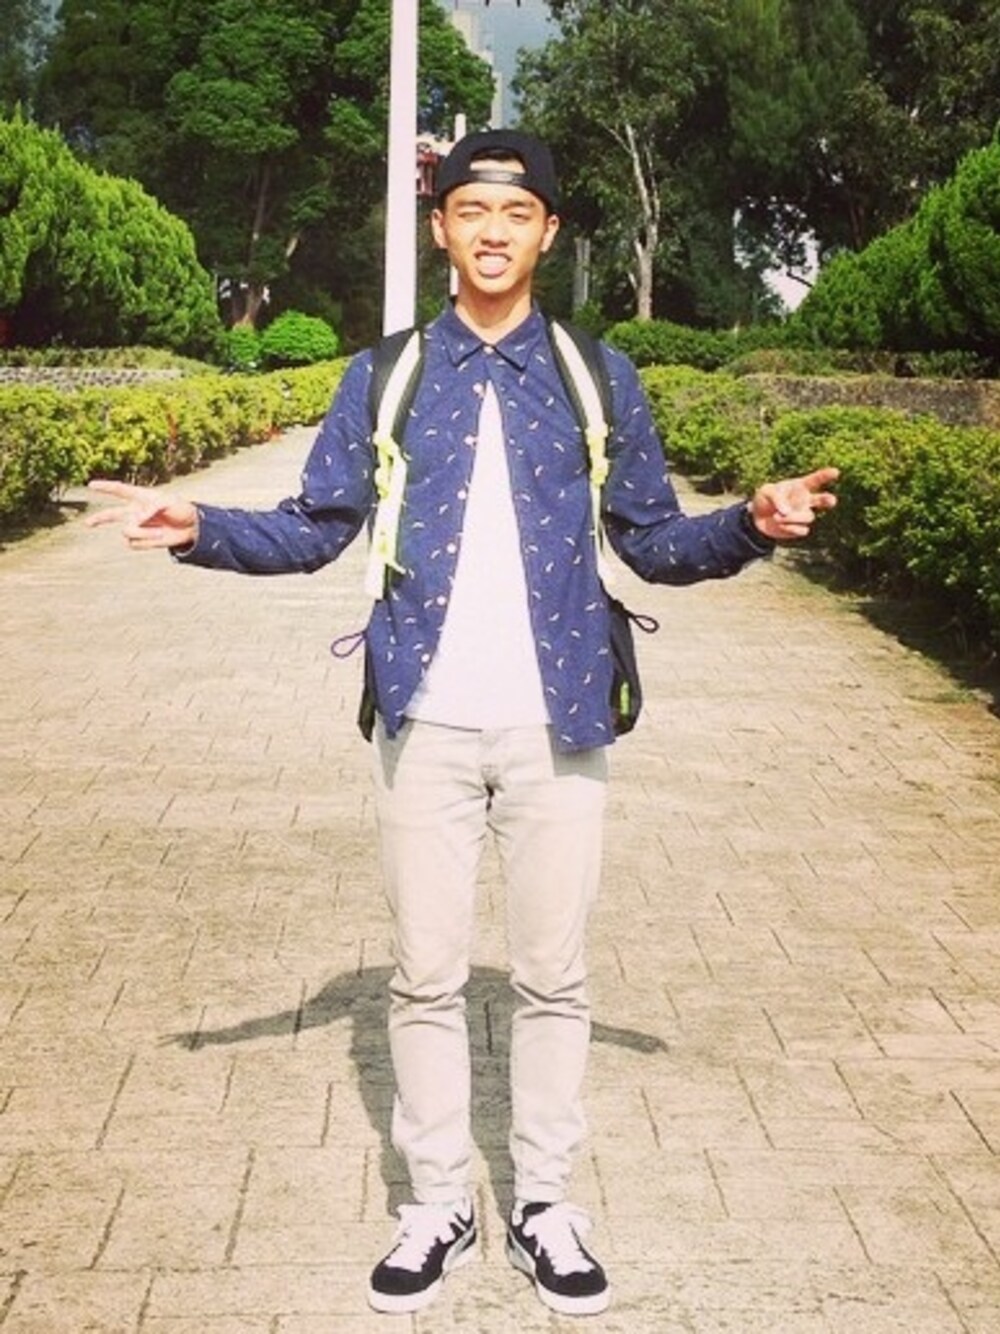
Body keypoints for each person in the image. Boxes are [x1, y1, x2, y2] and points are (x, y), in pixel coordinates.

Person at [86, 129, 838, 1317]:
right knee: (426, 977)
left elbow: (652, 541)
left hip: (560, 720)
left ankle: (544, 1201)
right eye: (471, 209)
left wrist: (749, 521)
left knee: (553, 977)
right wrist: (202, 528)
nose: (493, 230)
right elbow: (317, 524)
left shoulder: (596, 375)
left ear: (548, 230)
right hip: (422, 721)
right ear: (440, 226)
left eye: (516, 212)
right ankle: (436, 1200)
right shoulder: (386, 374)